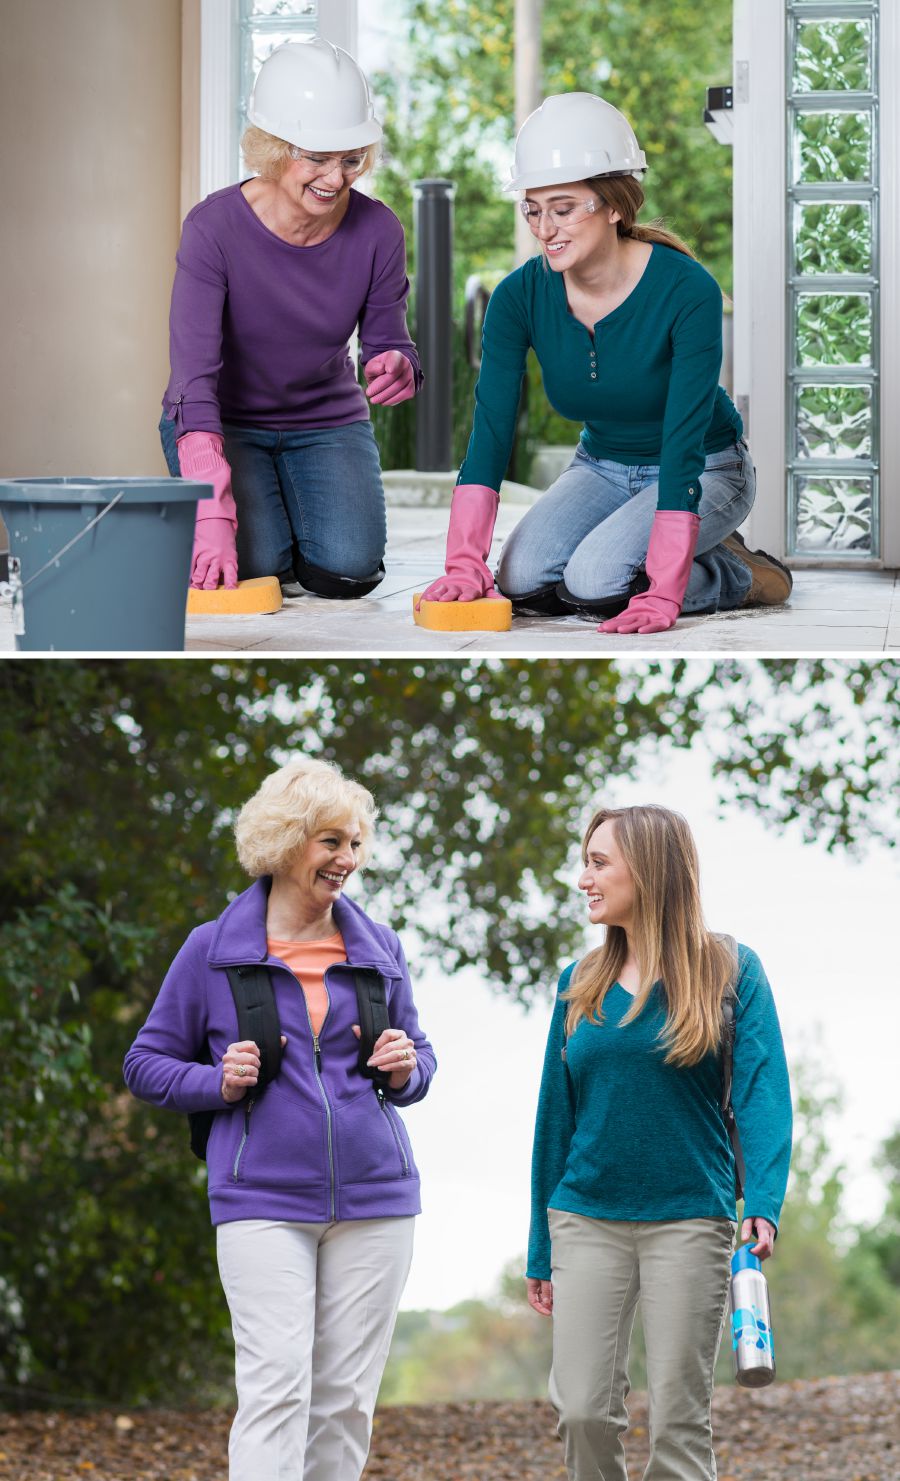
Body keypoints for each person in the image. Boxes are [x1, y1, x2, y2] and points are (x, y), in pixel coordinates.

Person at [124, 756, 435, 1481]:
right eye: (331, 841)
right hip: (260, 1199)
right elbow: (145, 1062)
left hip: (377, 1199)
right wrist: (216, 1080)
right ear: (286, 842)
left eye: (356, 843)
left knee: (346, 1401)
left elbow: (418, 1055)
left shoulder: (378, 947)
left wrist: (406, 1065)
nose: (348, 859)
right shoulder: (213, 949)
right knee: (276, 1389)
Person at [420, 93, 792, 634]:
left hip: (706, 467)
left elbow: (685, 435)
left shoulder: (687, 290)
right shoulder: (517, 298)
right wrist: (464, 562)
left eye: (564, 208)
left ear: (615, 205)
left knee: (596, 584)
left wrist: (665, 589)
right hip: (602, 465)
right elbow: (492, 430)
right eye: (533, 208)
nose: (545, 229)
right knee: (522, 580)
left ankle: (734, 572)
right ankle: (664, 555)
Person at [527, 804, 792, 1479]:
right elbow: (554, 1119)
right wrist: (540, 1243)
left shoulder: (731, 969)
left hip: (691, 1214)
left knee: (678, 1418)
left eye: (598, 861)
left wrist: (762, 1194)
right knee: (583, 1408)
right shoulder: (576, 984)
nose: (583, 877)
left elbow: (763, 1090)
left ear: (647, 868)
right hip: (586, 1215)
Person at [160, 38, 422, 597]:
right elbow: (193, 379)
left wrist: (397, 363)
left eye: (351, 158)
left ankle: (291, 516)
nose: (336, 177)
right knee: (256, 568)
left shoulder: (379, 232)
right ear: (275, 149)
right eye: (317, 157)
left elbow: (387, 340)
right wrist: (212, 514)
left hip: (325, 421)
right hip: (224, 421)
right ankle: (253, 523)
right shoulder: (213, 230)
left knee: (347, 573)